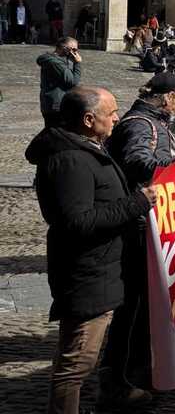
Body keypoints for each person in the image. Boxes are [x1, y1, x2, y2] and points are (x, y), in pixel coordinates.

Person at [26, 87, 157, 413]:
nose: (117, 118)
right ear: (88, 120)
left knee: (81, 358)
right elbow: (78, 222)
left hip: (102, 268)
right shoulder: (70, 160)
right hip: (87, 273)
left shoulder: (86, 147)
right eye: (111, 113)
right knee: (76, 364)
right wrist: (136, 203)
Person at [101, 73, 175, 396]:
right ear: (169, 97)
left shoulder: (149, 121)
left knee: (142, 301)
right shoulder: (142, 124)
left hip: (143, 219)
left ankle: (136, 368)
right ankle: (121, 375)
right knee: (135, 303)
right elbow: (136, 160)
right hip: (137, 223)